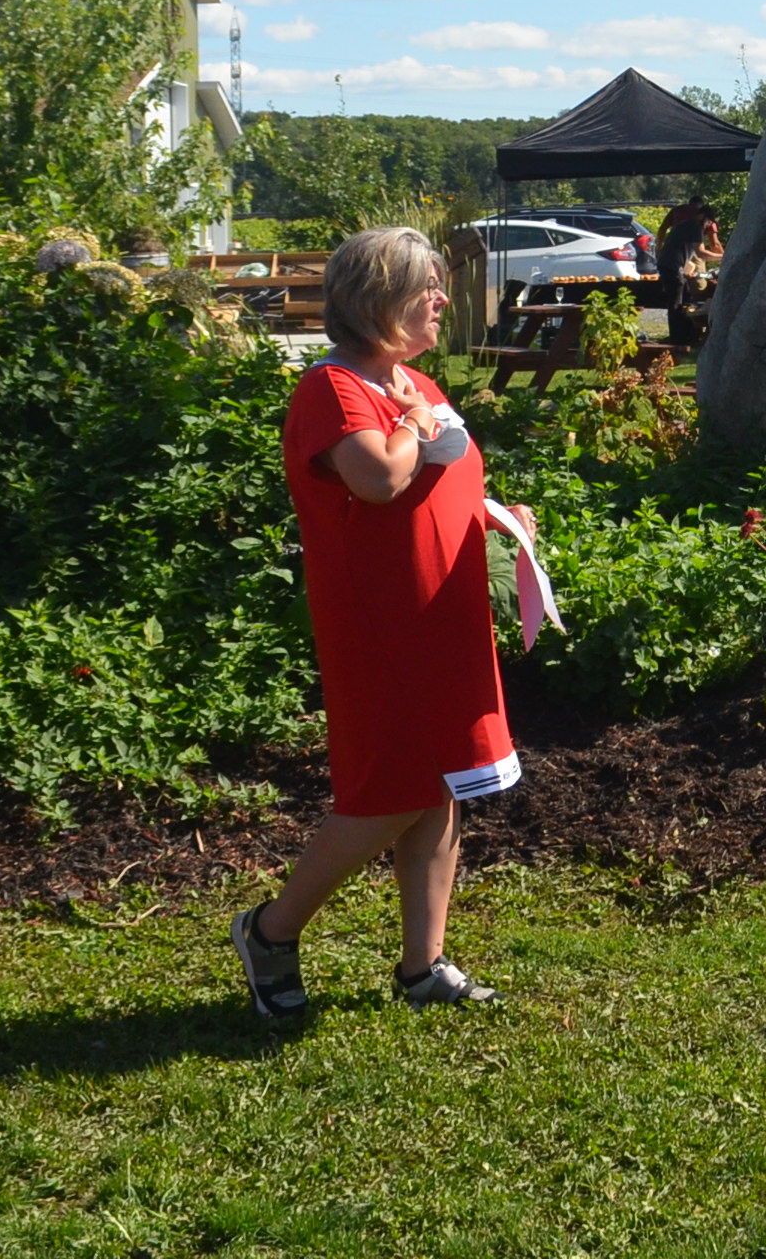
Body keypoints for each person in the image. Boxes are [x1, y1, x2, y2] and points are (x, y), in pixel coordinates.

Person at [233, 224, 538, 1016]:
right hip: (383, 622)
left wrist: (500, 514)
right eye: (426, 286)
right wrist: (408, 424)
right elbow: (377, 481)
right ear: (379, 300)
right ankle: (272, 929)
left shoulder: (414, 382)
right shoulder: (333, 389)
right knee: (387, 791)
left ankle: (422, 966)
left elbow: (442, 482)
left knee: (439, 784)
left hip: (442, 612)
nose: (442, 297)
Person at [655, 198, 725, 351]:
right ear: (704, 218)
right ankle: (678, 339)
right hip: (671, 266)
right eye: (708, 222)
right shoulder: (695, 227)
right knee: (676, 302)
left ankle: (687, 335)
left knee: (685, 297)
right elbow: (701, 254)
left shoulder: (686, 225)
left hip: (670, 264)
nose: (708, 226)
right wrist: (724, 257)